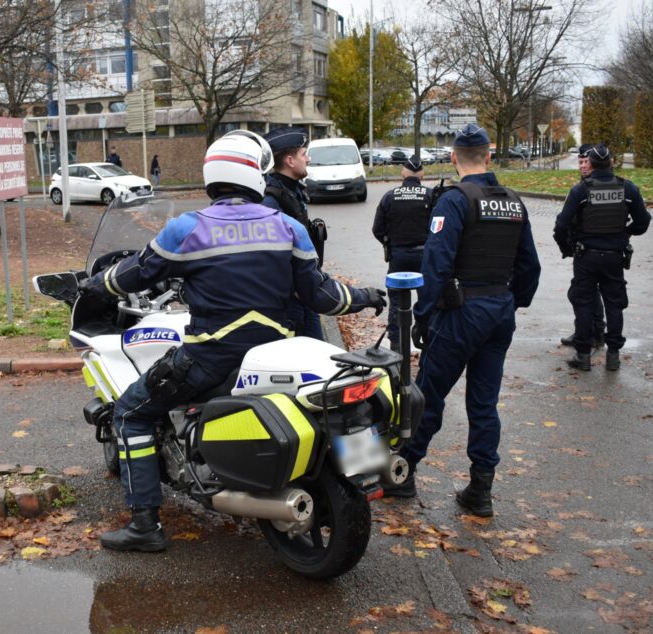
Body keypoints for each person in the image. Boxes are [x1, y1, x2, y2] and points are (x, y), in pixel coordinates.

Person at [82, 130, 387, 552]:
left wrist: (95, 285)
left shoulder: (188, 229)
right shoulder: (288, 227)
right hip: (272, 357)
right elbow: (323, 296)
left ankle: (144, 525)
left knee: (132, 413)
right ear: (256, 175)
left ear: (213, 175)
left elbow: (135, 273)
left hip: (209, 360)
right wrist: (367, 296)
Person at [387, 123, 541, 517]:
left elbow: (435, 265)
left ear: (454, 158)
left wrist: (422, 316)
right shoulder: (512, 201)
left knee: (428, 395)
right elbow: (530, 266)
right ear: (489, 156)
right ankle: (481, 489)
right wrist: (510, 302)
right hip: (498, 312)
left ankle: (403, 473)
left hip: (459, 314)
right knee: (484, 403)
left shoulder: (454, 201)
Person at [553, 143, 651, 371]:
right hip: (615, 256)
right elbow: (643, 222)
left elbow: (561, 225)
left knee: (584, 303)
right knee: (614, 305)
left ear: (591, 164)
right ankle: (613, 355)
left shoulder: (581, 191)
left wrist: (567, 247)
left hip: (586, 256)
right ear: (612, 163)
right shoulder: (628, 189)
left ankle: (583, 355)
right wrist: (625, 233)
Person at [260, 125, 326, 340]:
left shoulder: (291, 191)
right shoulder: (271, 200)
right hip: (290, 300)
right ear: (290, 161)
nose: (308, 159)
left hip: (304, 293)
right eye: (303, 154)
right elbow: (272, 256)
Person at [372, 154, 432, 349]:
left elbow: (377, 229)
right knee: (428, 299)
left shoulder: (390, 196)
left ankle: (396, 344)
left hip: (398, 256)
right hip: (425, 256)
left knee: (397, 301)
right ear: (421, 174)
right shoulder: (431, 196)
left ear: (403, 173)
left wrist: (390, 243)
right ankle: (427, 337)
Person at [560, 143, 605, 349]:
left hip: (591, 251)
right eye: (580, 162)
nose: (583, 166)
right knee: (588, 293)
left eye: (586, 162)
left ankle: (589, 335)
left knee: (580, 293)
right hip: (590, 249)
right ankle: (591, 332)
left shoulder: (592, 187)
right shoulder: (582, 187)